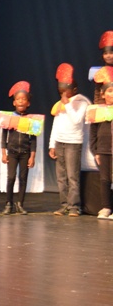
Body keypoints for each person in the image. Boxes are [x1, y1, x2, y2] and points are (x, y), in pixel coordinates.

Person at [49, 63, 90, 217]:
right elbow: (55, 124)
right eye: (61, 91)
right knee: (61, 177)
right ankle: (64, 205)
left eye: (66, 90)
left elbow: (77, 120)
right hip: (60, 142)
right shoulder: (59, 105)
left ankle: (74, 207)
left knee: (72, 176)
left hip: (73, 143)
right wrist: (52, 144)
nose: (63, 93)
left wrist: (68, 105)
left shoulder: (81, 103)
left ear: (74, 89)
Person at [0, 81, 37, 215]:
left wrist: (32, 156)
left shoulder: (32, 119)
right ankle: (8, 203)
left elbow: (34, 139)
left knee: (23, 178)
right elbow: (3, 136)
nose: (21, 101)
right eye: (18, 99)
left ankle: (20, 203)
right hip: (12, 152)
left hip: (25, 153)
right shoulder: (9, 118)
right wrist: (3, 153)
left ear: (28, 103)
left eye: (24, 99)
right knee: (11, 177)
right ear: (14, 102)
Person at [89, 66, 113, 219]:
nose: (112, 94)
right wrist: (95, 151)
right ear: (103, 94)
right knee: (105, 179)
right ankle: (106, 207)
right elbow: (93, 133)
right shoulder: (97, 110)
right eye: (109, 91)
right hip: (103, 150)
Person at [93, 30, 113, 105]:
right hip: (107, 107)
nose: (108, 56)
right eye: (105, 53)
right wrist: (98, 106)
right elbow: (98, 92)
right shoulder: (101, 72)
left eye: (111, 53)